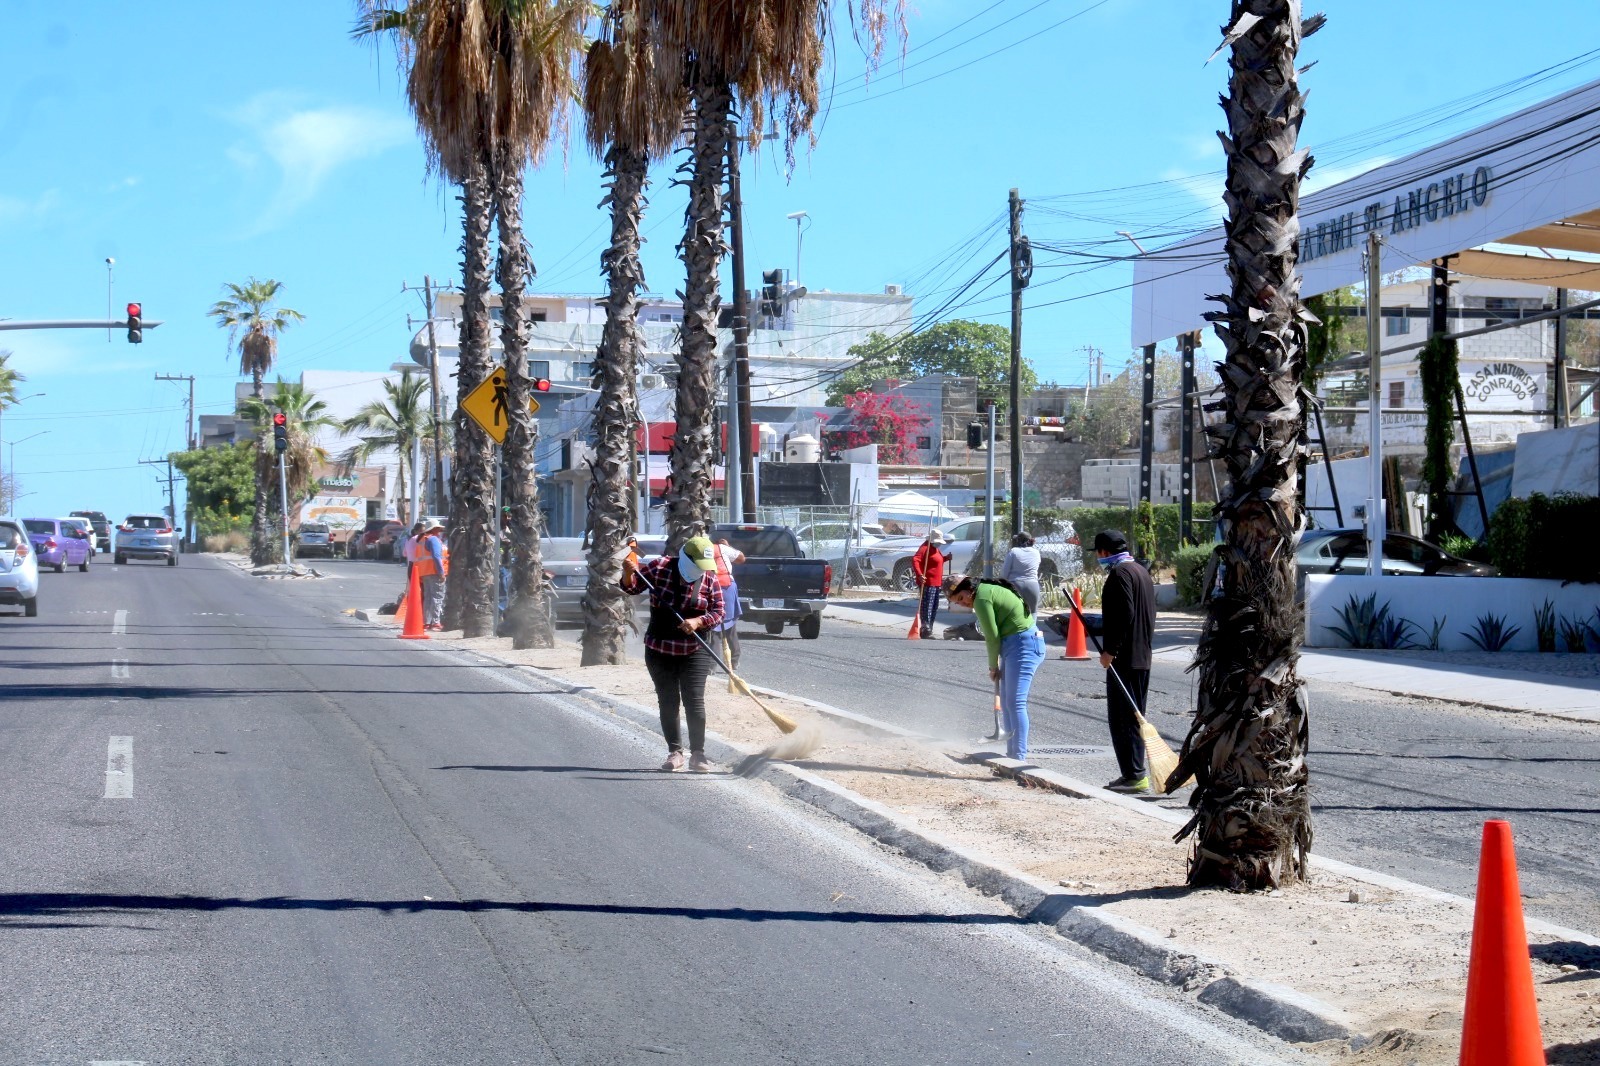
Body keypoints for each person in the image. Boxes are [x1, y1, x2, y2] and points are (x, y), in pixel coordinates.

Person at [621, 535, 726, 773]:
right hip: (660, 649)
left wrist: (699, 621)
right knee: (668, 700)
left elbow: (719, 611)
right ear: (686, 558)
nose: (702, 570)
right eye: (698, 564)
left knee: (694, 699)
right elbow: (631, 587)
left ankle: (698, 754)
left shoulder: (709, 577)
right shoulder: (659, 567)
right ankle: (675, 752)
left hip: (695, 649)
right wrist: (628, 572)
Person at [947, 575, 1045, 762]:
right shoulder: (984, 591)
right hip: (1015, 645)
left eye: (961, 598)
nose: (963, 603)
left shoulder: (982, 598)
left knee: (1015, 703)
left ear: (968, 588)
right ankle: (1012, 755)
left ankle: (1018, 757)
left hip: (1023, 646)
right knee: (1008, 703)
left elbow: (992, 637)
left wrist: (993, 666)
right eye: (958, 602)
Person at [1095, 529, 1156, 793]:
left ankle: (1134, 775)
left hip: (1125, 658)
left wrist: (1110, 650)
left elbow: (1125, 614)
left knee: (1123, 719)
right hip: (1141, 656)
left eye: (1098, 553)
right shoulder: (1140, 571)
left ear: (1104, 552)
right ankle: (1134, 772)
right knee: (1133, 715)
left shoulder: (1119, 574)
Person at [710, 537, 747, 670]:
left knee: (713, 627)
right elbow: (741, 558)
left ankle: (712, 665)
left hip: (709, 588)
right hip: (726, 587)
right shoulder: (722, 548)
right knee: (730, 626)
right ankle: (734, 661)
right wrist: (728, 546)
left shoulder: (700, 550)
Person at [911, 530, 951, 638]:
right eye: (937, 542)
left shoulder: (935, 549)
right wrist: (920, 575)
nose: (939, 544)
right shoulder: (925, 548)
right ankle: (925, 629)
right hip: (928, 583)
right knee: (927, 607)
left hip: (936, 583)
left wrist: (946, 558)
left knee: (934, 607)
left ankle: (929, 629)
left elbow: (936, 561)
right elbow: (915, 560)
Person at [1000, 531, 1042, 615]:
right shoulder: (1036, 553)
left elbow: (1004, 573)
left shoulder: (1013, 552)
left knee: (1013, 614)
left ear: (1019, 541)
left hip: (1015, 585)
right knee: (1032, 613)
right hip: (1032, 585)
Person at [415, 521, 447, 631]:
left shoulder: (422, 540)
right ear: (433, 529)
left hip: (424, 572)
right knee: (437, 597)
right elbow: (436, 556)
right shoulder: (433, 539)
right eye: (438, 529)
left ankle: (426, 622)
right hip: (434, 572)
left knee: (428, 597)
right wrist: (441, 572)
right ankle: (435, 622)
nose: (440, 531)